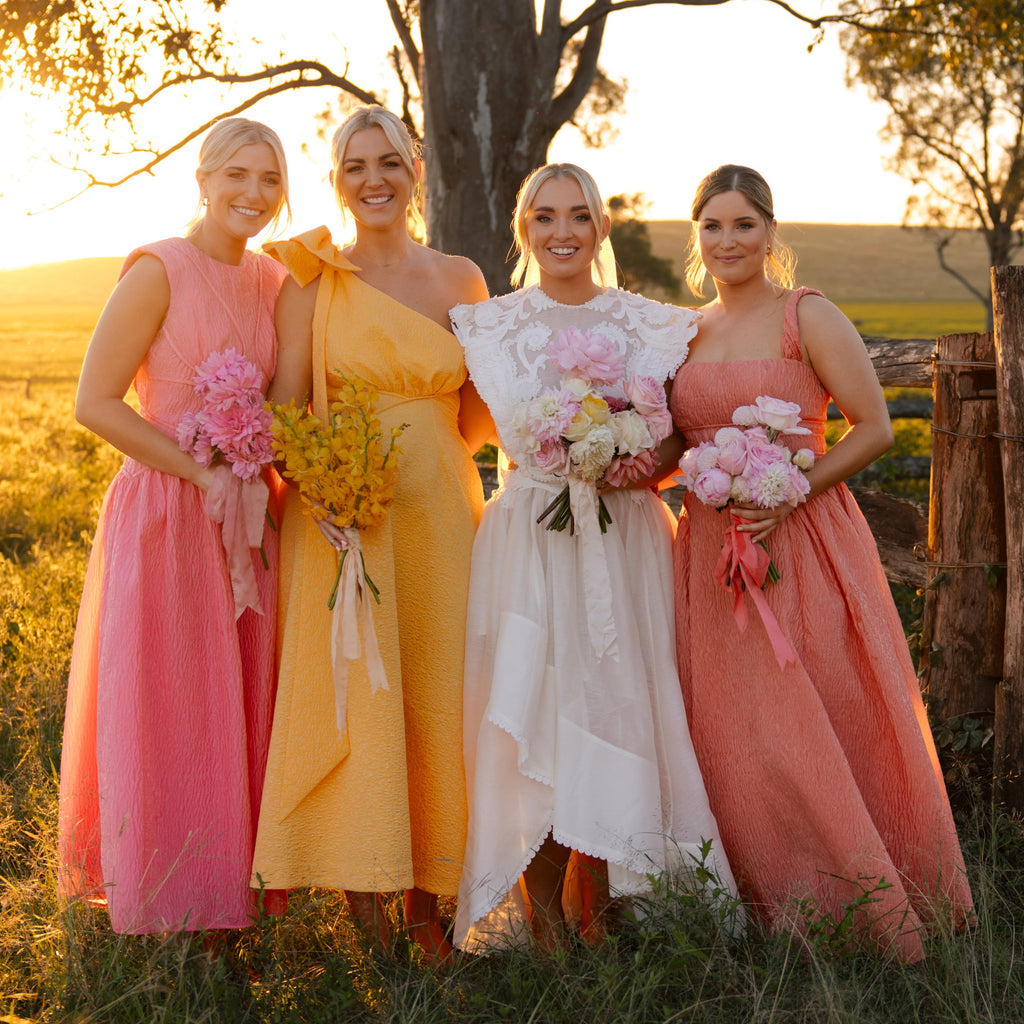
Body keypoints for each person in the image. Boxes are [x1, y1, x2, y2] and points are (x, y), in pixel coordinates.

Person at [670, 164, 974, 961]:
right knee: (732, 731)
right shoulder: (683, 331)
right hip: (709, 552)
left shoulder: (806, 315)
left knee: (822, 716)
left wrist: (788, 490)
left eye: (743, 224)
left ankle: (867, 910)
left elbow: (873, 429)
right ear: (695, 237)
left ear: (771, 232)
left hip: (802, 541)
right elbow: (671, 442)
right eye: (713, 226)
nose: (728, 240)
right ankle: (763, 910)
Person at [449, 163, 739, 954]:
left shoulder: (651, 324)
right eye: (545, 217)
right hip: (530, 541)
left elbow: (679, 430)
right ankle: (545, 930)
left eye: (579, 216)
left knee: (616, 711)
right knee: (536, 715)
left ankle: (607, 914)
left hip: (624, 537)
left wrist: (640, 457)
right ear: (525, 230)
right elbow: (470, 429)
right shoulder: (489, 326)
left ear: (601, 229)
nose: (563, 232)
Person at [250, 104, 492, 964]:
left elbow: (475, 418)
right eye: (355, 166)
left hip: (438, 511)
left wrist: (419, 461)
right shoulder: (312, 275)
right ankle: (366, 917)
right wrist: (324, 488)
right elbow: (281, 406)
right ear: (338, 180)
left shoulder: (462, 278)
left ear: (415, 169)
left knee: (439, 698)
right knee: (359, 701)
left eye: (389, 161)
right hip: (340, 515)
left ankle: (432, 912)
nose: (374, 179)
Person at [57, 118, 291, 933]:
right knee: (171, 699)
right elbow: (94, 402)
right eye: (237, 174)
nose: (252, 194)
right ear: (202, 176)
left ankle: (236, 895)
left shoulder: (272, 280)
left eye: (269, 179)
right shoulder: (159, 268)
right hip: (166, 507)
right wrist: (197, 470)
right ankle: (168, 899)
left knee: (238, 698)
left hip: (251, 516)